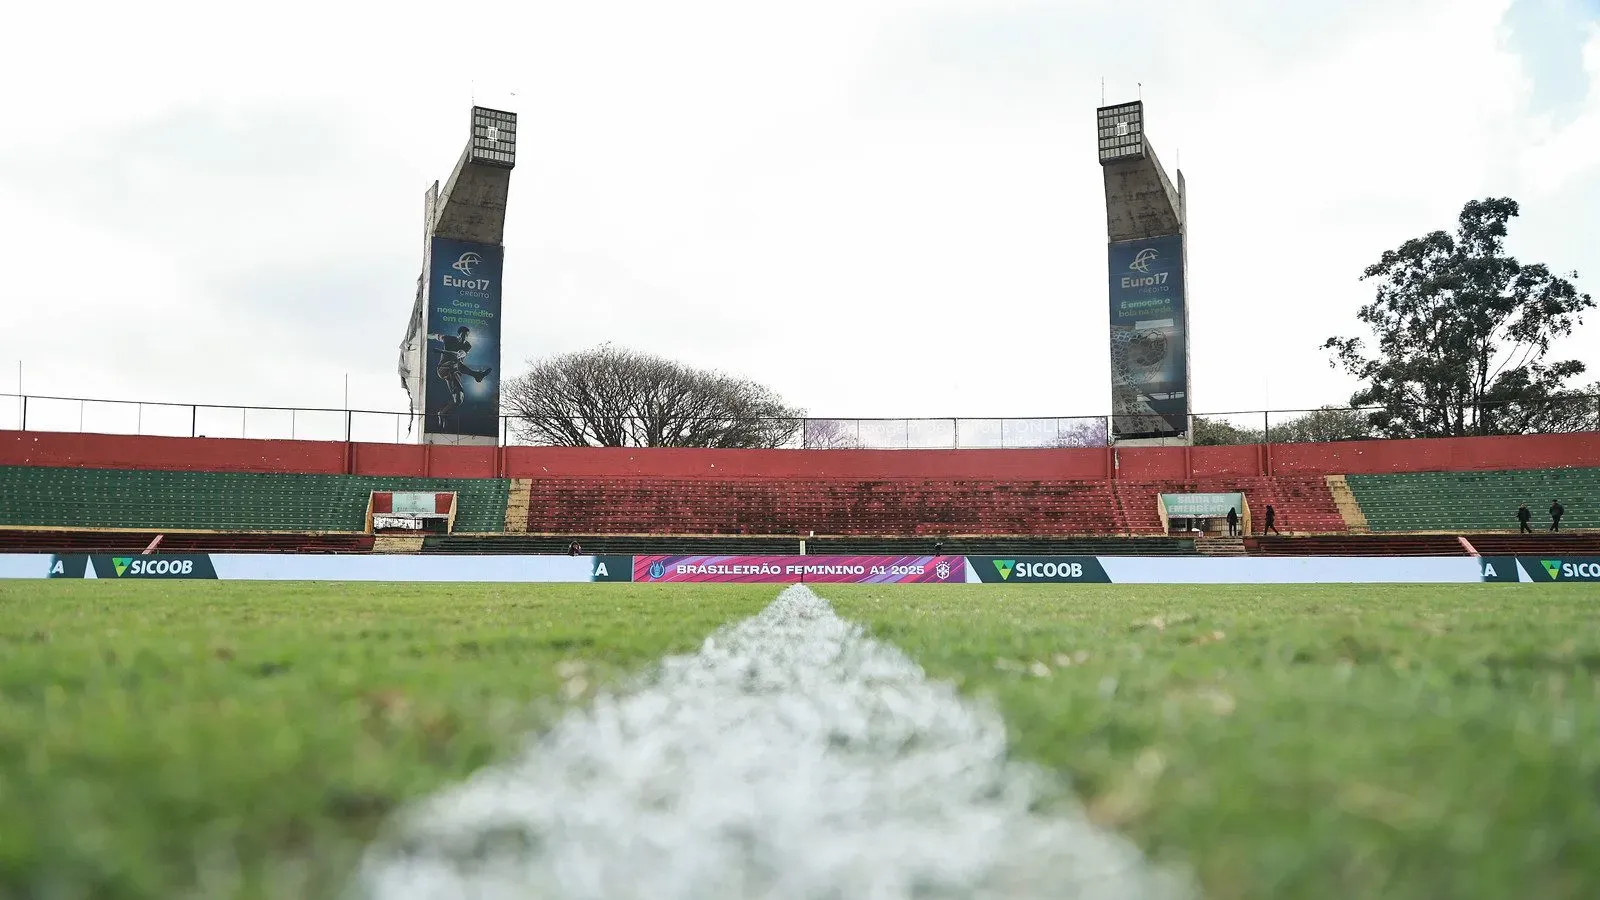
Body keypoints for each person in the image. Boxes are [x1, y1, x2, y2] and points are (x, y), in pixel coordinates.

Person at [427, 326, 492, 428]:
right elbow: (435, 336)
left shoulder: (467, 345)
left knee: (458, 400)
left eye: (466, 336)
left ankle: (442, 413)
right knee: (455, 362)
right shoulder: (449, 338)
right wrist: (425, 336)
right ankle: (477, 375)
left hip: (455, 372)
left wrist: (447, 352)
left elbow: (461, 354)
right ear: (459, 334)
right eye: (462, 335)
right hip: (443, 368)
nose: (464, 338)